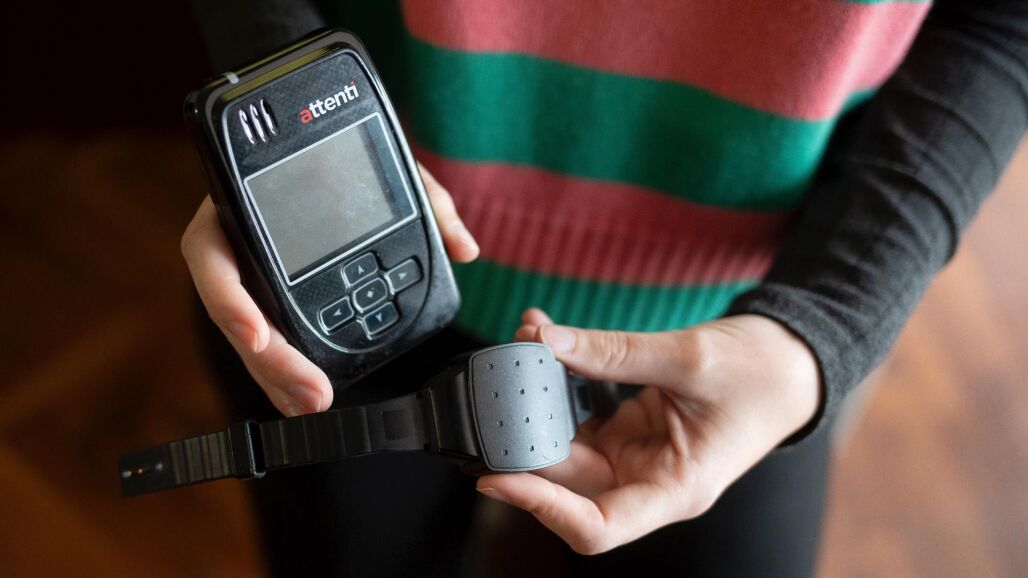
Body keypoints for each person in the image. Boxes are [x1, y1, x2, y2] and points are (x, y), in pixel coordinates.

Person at [181, 1, 1027, 576]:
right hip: (344, 272)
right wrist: (277, 104)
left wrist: (826, 328)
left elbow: (1002, 22)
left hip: (735, 346)